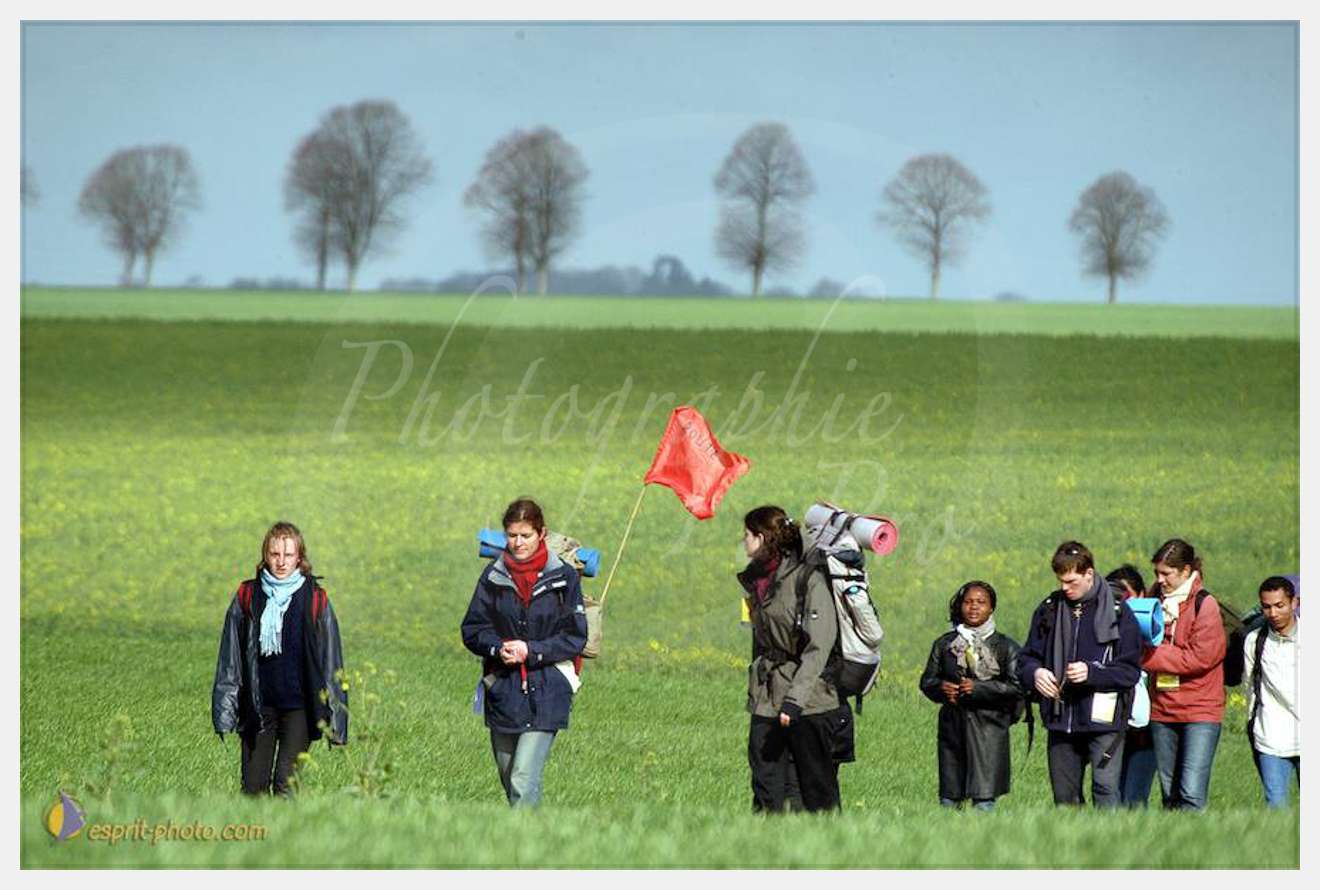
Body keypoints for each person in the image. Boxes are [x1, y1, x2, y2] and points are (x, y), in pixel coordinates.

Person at [460, 498, 587, 808]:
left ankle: (521, 852)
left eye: (525, 535)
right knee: (510, 779)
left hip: (549, 689)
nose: (517, 543)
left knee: (522, 778)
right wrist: (496, 647)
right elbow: (472, 629)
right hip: (503, 690)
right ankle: (536, 843)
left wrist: (531, 651)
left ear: (541, 534)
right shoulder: (493, 576)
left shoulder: (564, 578)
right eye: (511, 535)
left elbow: (575, 637)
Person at [212, 521, 348, 796]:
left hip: (300, 708)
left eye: (288, 555)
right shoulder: (247, 596)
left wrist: (337, 723)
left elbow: (332, 662)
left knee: (286, 785)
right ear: (265, 555)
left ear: (299, 557)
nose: (281, 562)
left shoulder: (316, 600)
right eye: (275, 554)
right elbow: (230, 660)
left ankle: (283, 837)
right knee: (253, 788)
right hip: (258, 707)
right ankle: (255, 835)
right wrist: (225, 711)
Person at [738, 505, 854, 813]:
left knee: (813, 794)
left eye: (746, 536)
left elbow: (820, 644)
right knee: (766, 786)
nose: (743, 542)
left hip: (812, 700)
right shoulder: (760, 580)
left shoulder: (808, 578)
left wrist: (795, 701)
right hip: (767, 696)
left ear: (761, 537)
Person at [1018, 541, 1142, 807]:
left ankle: (1110, 847)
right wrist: (1036, 673)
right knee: (1065, 799)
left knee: (1105, 790)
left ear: (1089, 574)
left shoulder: (1119, 612)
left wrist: (1091, 673)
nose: (1065, 588)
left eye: (1071, 581)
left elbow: (1129, 672)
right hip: (1060, 718)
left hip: (1104, 720)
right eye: (1061, 581)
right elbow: (1026, 658)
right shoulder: (1049, 608)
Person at [918, 580, 1024, 812]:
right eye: (968, 602)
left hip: (989, 733)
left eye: (981, 602)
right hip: (952, 731)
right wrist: (941, 688)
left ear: (991, 608)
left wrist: (979, 689)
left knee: (983, 800)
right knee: (949, 798)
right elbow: (927, 681)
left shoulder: (1006, 647)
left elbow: (1017, 688)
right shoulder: (945, 644)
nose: (974, 607)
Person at [1141, 538, 1226, 811]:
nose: (1160, 579)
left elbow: (1199, 658)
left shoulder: (1206, 605)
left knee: (1190, 792)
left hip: (1200, 711)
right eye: (1157, 573)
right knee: (1169, 793)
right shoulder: (1153, 597)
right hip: (1162, 709)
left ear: (1186, 571)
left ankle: (1195, 850)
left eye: (1166, 573)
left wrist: (1148, 657)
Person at [1244, 576, 1300, 808]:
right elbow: (1249, 687)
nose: (1273, 613)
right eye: (1266, 607)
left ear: (1294, 603)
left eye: (1279, 605)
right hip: (1271, 739)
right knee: (1276, 809)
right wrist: (1252, 725)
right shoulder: (1255, 641)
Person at [1106, 564, 1157, 808]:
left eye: (1126, 595)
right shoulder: (1103, 625)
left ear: (1142, 595)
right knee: (1109, 791)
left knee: (1135, 796)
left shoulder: (1155, 624)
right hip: (1112, 721)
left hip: (1146, 728)